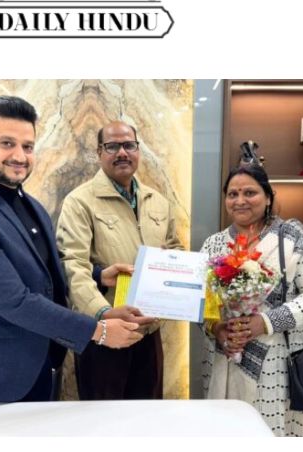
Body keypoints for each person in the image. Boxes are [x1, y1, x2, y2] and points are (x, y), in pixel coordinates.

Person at [0, 96, 143, 404]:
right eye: (7, 144)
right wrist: (98, 331)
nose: (19, 156)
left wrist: (99, 276)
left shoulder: (31, 206)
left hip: (40, 365)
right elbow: (15, 300)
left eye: (28, 146)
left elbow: (45, 274)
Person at [201, 164, 303, 436]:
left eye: (250, 192)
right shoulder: (213, 244)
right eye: (233, 194)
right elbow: (201, 301)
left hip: (278, 363)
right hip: (224, 358)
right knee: (224, 433)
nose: (240, 200)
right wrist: (217, 329)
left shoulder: (294, 240)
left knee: (270, 434)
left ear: (268, 196)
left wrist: (265, 322)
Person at [56, 121, 183, 400]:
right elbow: (72, 265)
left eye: (129, 145)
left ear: (138, 150)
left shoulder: (158, 201)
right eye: (112, 146)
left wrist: (178, 279)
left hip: (148, 332)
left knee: (147, 414)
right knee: (104, 418)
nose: (122, 152)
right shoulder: (80, 202)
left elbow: (173, 248)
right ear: (99, 152)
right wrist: (103, 313)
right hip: (103, 334)